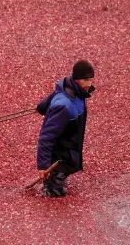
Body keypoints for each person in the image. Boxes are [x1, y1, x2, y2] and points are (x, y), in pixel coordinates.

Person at [36, 60, 95, 197]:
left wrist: (43, 108)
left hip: (69, 145)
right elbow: (46, 137)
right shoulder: (64, 106)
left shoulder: (73, 89)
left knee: (69, 164)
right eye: (85, 80)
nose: (89, 84)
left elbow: (47, 102)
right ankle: (51, 187)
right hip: (60, 156)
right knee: (55, 193)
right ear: (76, 79)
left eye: (90, 80)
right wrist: (43, 166)